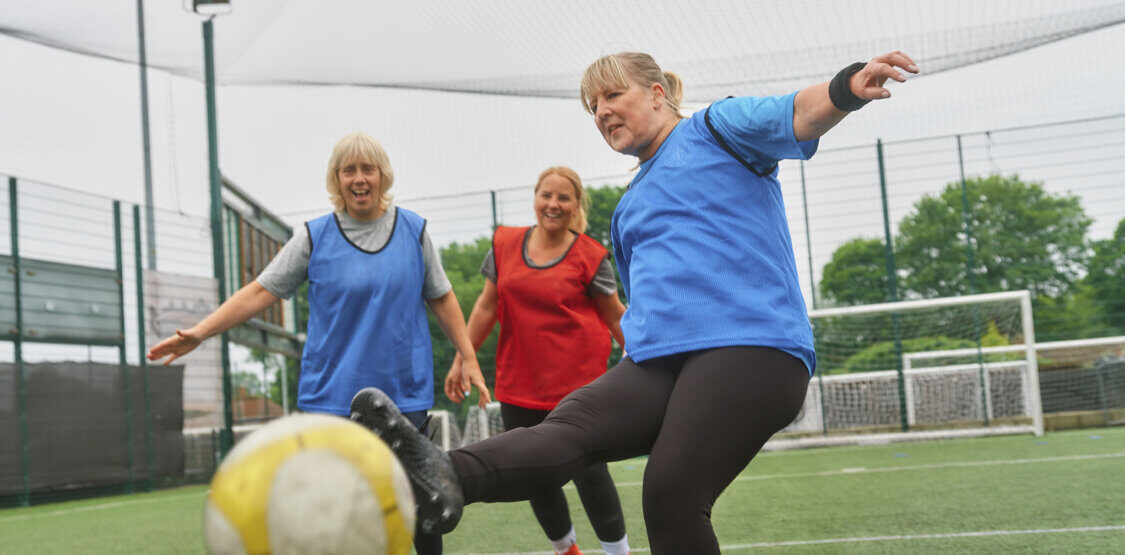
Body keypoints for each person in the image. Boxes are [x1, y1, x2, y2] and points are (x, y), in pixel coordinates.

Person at [350, 51, 919, 554]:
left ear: (656, 93)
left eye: (612, 95)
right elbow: (643, 304)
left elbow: (796, 112)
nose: (601, 112)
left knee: (670, 493)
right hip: (658, 361)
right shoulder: (628, 206)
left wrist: (847, 87)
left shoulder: (717, 129)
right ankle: (438, 474)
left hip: (754, 349)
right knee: (564, 432)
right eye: (591, 106)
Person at [146, 131, 490, 555]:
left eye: (368, 169)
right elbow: (260, 291)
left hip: (402, 393)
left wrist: (468, 356)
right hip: (332, 399)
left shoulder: (413, 231)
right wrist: (202, 331)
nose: (359, 178)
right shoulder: (314, 236)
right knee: (336, 512)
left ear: (383, 177)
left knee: (419, 510)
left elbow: (441, 296)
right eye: (349, 170)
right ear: (336, 179)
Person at [445, 166, 630, 555]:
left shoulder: (591, 256)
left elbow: (616, 316)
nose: (553, 204)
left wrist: (648, 361)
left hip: (581, 391)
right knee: (536, 478)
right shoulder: (504, 244)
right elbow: (485, 307)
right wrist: (464, 358)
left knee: (591, 474)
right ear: (535, 198)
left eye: (563, 198)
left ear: (576, 205)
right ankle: (567, 551)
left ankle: (619, 553)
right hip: (520, 387)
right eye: (546, 195)